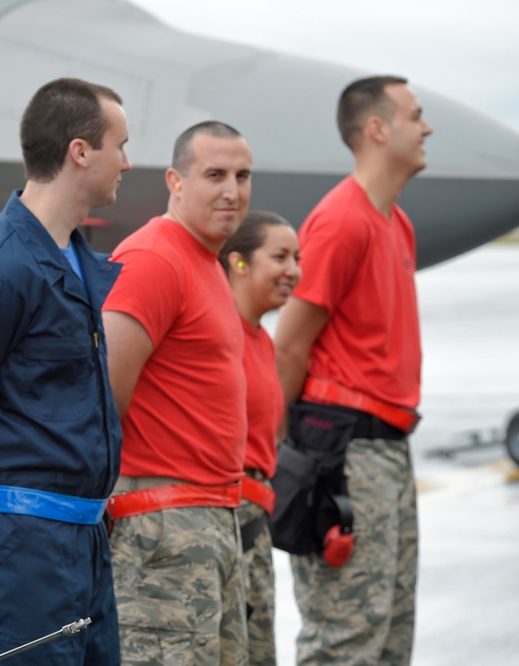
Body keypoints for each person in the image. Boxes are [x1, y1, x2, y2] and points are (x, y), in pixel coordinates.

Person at [0, 77, 130, 665]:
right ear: (80, 152)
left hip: (84, 546)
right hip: (18, 557)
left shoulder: (76, 262)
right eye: (119, 144)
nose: (127, 160)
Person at [274, 75, 433, 665]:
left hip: (389, 447)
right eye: (416, 115)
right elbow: (289, 345)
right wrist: (272, 454)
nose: (427, 127)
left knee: (390, 634)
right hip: (344, 450)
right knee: (345, 639)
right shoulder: (343, 220)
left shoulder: (396, 222)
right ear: (377, 129)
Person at [102, 120, 252, 665]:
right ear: (176, 181)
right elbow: (104, 397)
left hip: (211, 519)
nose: (232, 190)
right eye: (214, 174)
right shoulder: (155, 259)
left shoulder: (204, 263)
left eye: (242, 175)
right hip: (164, 529)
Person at [218, 210, 302, 665]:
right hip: (228, 525)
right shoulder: (218, 333)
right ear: (239, 263)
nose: (294, 270)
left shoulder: (259, 339)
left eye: (297, 258)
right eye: (280, 256)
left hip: (256, 524)